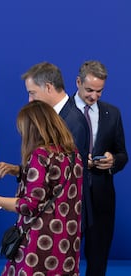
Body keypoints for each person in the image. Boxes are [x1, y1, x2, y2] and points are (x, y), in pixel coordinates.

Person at [0, 100, 83, 275]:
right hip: (66, 242)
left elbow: (29, 205)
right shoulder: (73, 154)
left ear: (33, 129)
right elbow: (54, 184)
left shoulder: (40, 154)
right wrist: (18, 171)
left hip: (40, 243)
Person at [20, 62, 93, 232]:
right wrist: (19, 171)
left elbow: (66, 173)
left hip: (65, 217)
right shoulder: (55, 117)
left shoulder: (73, 122)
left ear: (48, 87)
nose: (30, 100)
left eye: (32, 93)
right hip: (54, 215)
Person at [73, 60, 128, 276]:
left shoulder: (112, 114)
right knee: (64, 256)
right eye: (89, 90)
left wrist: (112, 160)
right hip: (70, 197)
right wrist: (78, 161)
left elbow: (123, 154)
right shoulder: (62, 113)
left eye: (99, 91)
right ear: (78, 82)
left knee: (98, 259)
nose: (94, 96)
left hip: (102, 198)